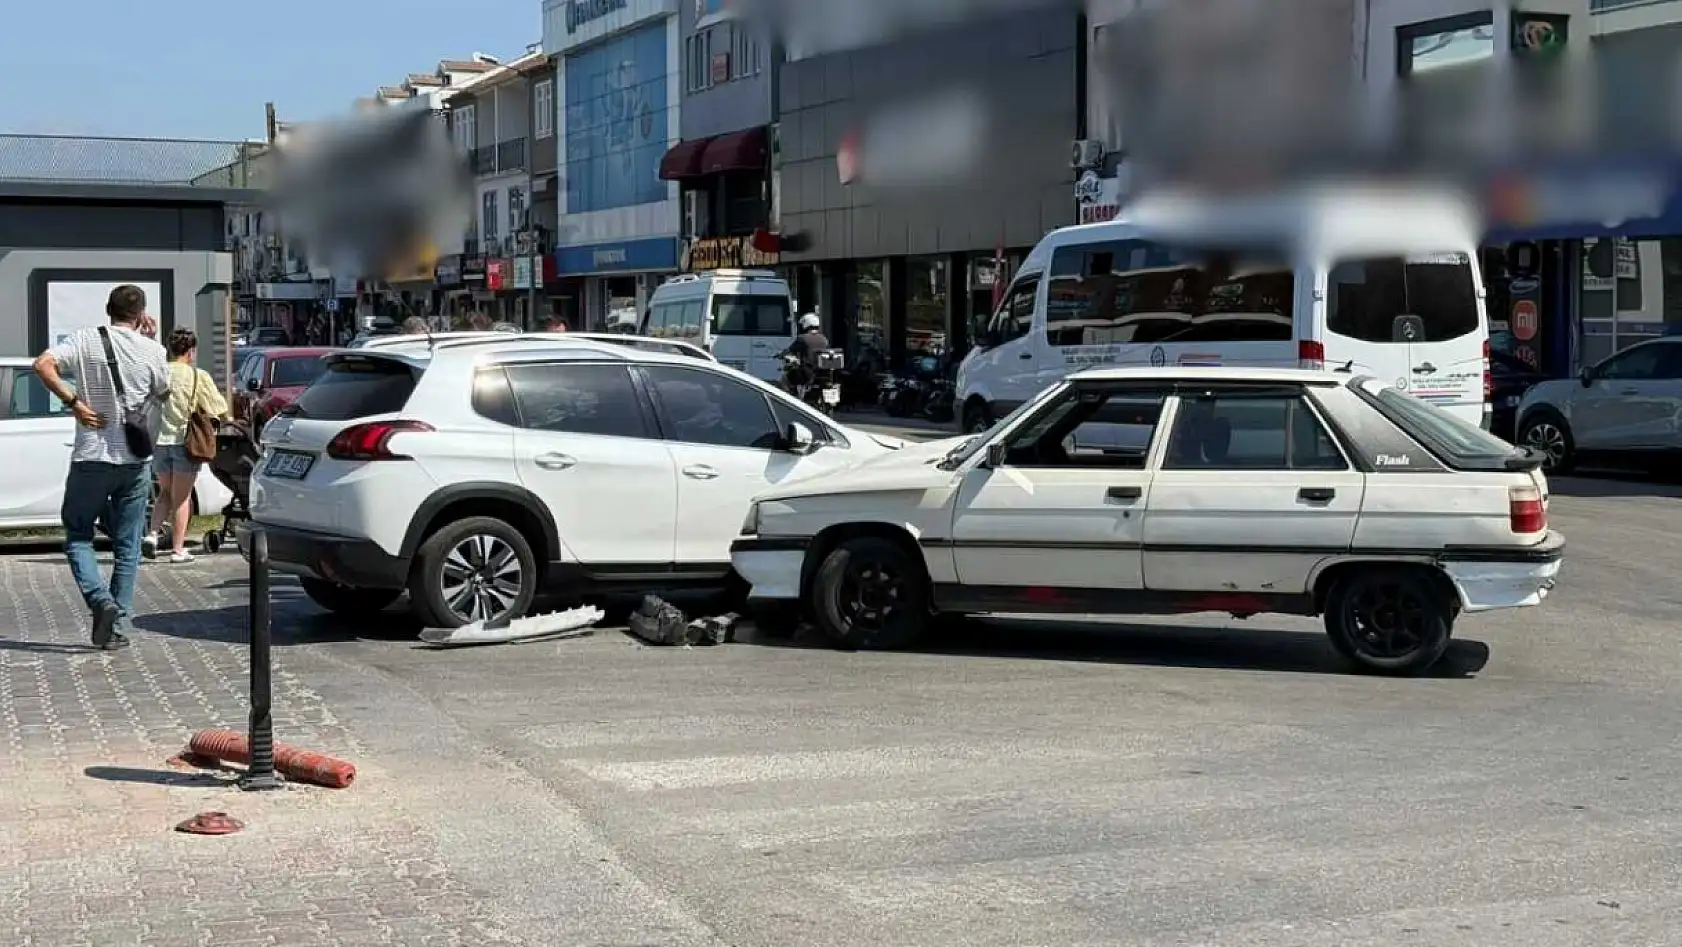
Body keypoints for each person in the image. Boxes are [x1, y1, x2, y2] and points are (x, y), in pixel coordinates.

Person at [32, 285, 170, 651]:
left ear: (107, 309)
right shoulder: (153, 350)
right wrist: (151, 343)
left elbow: (42, 365)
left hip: (91, 456)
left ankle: (99, 600)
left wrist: (74, 402)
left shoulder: (84, 340)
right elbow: (163, 393)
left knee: (78, 534)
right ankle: (116, 626)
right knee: (128, 547)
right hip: (135, 460)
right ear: (142, 315)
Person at [143, 329, 231, 563]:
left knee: (165, 494)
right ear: (191, 351)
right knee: (182, 499)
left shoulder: (161, 374)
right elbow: (217, 406)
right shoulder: (197, 376)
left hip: (160, 443)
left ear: (170, 349)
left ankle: (152, 535)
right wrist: (227, 419)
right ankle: (178, 549)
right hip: (185, 443)